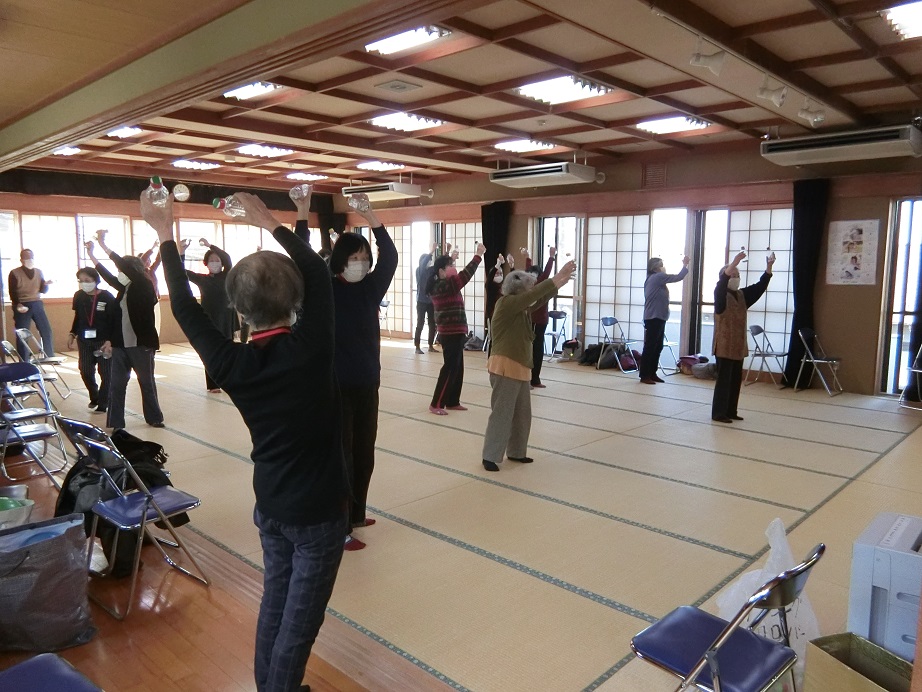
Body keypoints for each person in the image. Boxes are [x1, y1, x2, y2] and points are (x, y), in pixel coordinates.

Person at [141, 189, 348, 692]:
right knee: (299, 624)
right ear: (295, 301)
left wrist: (164, 232)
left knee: (276, 602)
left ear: (236, 308)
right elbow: (317, 271)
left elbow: (185, 308)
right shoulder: (312, 347)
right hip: (319, 510)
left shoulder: (231, 362)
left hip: (271, 503)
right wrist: (266, 219)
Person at [295, 191, 398, 553]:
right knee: (341, 457)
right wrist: (303, 212)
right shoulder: (323, 289)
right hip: (335, 387)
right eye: (354, 258)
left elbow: (391, 257)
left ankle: (356, 514)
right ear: (340, 261)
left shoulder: (370, 287)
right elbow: (301, 257)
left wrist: (371, 217)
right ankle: (337, 528)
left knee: (364, 453)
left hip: (367, 383)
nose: (361, 264)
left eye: (364, 258)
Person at [481, 261, 576, 472]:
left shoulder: (521, 307)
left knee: (522, 415)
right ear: (519, 289)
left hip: (521, 368)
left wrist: (560, 282)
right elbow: (533, 295)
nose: (531, 289)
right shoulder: (507, 303)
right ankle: (490, 455)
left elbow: (539, 298)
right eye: (529, 286)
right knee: (502, 414)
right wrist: (556, 277)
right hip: (505, 367)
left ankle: (516, 451)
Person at [86, 232, 164, 430]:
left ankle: (154, 417)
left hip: (140, 345)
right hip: (121, 346)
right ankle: (116, 422)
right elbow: (107, 276)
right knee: (117, 385)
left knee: (146, 383)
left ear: (132, 271)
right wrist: (92, 255)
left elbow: (123, 265)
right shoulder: (122, 290)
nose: (119, 272)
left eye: (122, 270)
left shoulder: (143, 284)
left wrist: (103, 244)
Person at [711, 250, 775, 423]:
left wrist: (768, 268)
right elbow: (721, 283)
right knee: (724, 380)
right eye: (733, 275)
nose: (736, 278)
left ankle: (731, 410)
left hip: (738, 344)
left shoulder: (742, 295)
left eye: (738, 275)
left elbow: (759, 287)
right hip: (724, 344)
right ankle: (718, 413)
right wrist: (734, 263)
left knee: (735, 380)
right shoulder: (720, 295)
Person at [427, 244, 485, 414]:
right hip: (449, 332)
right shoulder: (441, 286)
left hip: (457, 331)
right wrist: (478, 255)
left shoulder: (447, 284)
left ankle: (452, 401)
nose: (453, 268)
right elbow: (465, 276)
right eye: (450, 266)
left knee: (458, 368)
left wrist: (451, 257)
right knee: (450, 367)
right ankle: (436, 404)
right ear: (441, 271)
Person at [181, 237, 237, 392]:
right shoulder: (202, 279)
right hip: (208, 320)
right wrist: (181, 253)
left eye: (217, 260)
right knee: (210, 352)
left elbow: (228, 259)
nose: (215, 262)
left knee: (227, 352)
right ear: (206, 263)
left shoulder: (226, 275)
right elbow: (181, 272)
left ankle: (228, 380)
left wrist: (209, 246)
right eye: (211, 260)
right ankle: (213, 384)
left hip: (226, 320)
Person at [67, 268, 118, 414]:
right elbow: (78, 317)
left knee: (106, 373)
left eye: (87, 280)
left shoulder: (107, 297)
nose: (84, 283)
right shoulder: (78, 296)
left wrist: (110, 340)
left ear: (95, 280)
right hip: (84, 340)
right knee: (85, 370)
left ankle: (103, 402)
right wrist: (72, 333)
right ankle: (94, 396)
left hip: (103, 341)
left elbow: (114, 320)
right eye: (81, 281)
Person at [639, 255, 689, 385]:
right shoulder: (657, 277)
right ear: (655, 268)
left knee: (657, 346)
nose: (663, 267)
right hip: (654, 317)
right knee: (651, 347)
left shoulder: (654, 278)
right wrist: (685, 265)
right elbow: (678, 277)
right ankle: (645, 375)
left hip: (658, 316)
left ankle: (652, 373)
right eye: (661, 265)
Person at [9, 249, 55, 361]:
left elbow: (43, 290)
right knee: (22, 334)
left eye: (31, 257)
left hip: (37, 303)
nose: (30, 259)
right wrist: (18, 304)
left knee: (46, 330)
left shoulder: (39, 272)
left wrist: (46, 284)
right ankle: (24, 360)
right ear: (21, 259)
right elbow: (12, 291)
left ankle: (49, 356)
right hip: (22, 304)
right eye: (27, 257)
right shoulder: (14, 273)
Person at [524, 246, 556, 388]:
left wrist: (551, 257)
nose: (532, 277)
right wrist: (527, 258)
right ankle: (528, 379)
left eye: (534, 274)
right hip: (529, 321)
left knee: (537, 350)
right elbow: (527, 271)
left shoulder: (541, 285)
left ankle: (535, 379)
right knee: (529, 351)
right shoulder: (527, 286)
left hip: (540, 322)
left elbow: (546, 274)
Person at [414, 244, 439, 354]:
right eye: (428, 260)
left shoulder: (430, 271)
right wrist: (431, 251)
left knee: (432, 323)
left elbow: (439, 266)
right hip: (421, 301)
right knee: (420, 323)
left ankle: (430, 345)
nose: (429, 262)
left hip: (430, 301)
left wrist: (447, 252)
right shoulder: (419, 270)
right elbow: (424, 263)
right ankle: (417, 346)